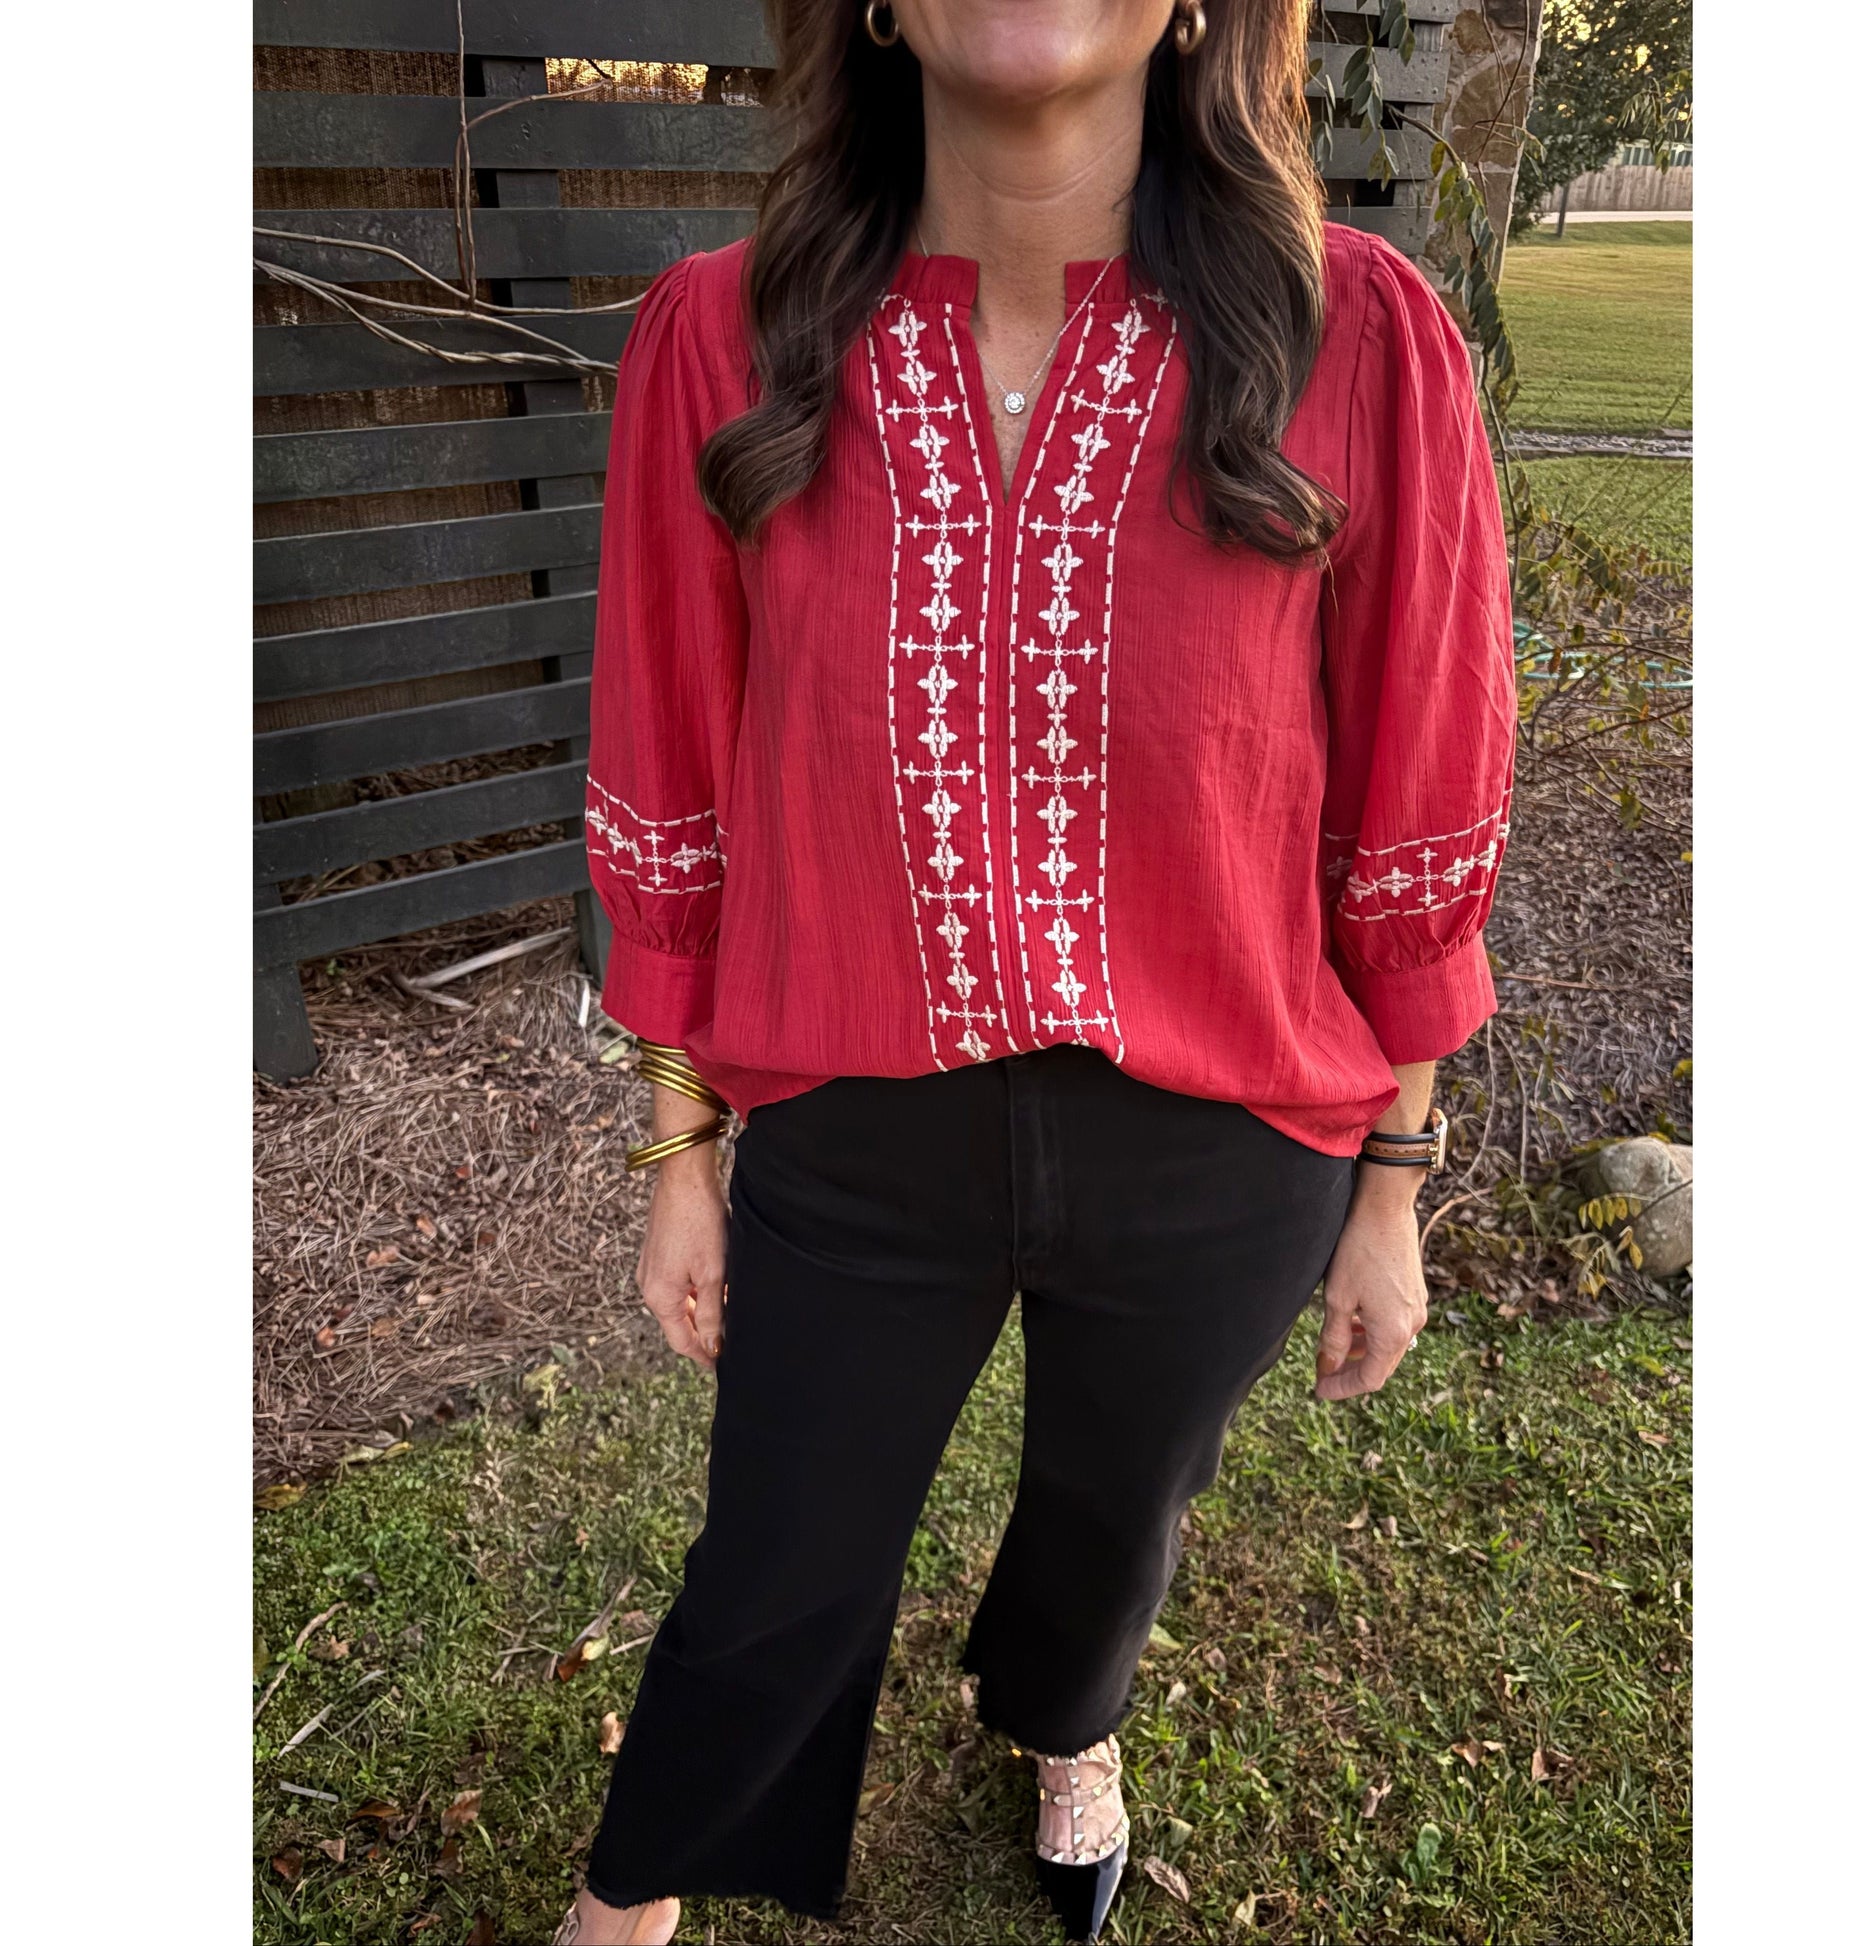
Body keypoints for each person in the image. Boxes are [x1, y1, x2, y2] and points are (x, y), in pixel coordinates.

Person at [556, 0, 1515, 1939]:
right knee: (778, 1554)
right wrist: (675, 1142)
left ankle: (1064, 1719)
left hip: (1223, 1132)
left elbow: (1417, 777)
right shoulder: (717, 341)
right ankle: (635, 1894)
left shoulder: (1356, 333)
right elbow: (667, 748)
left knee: (1109, 1516)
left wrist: (1390, 1185)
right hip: (853, 1116)